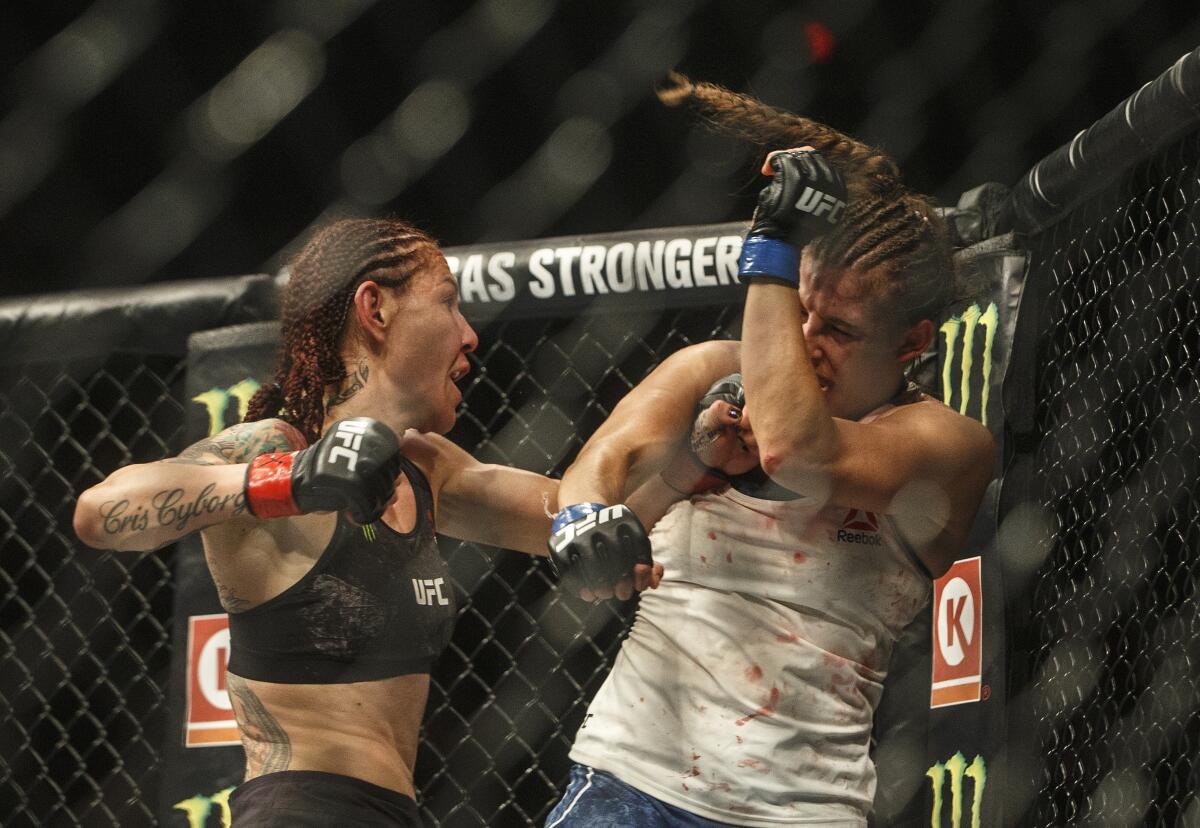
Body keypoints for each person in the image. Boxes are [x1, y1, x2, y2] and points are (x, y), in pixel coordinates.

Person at [72, 217, 662, 827]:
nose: (469, 336)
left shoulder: (426, 470)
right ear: (375, 309)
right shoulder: (273, 445)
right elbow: (100, 512)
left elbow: (572, 514)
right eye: (449, 303)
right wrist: (290, 481)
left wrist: (693, 448)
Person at [543, 75, 995, 827]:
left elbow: (797, 454)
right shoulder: (708, 368)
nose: (809, 343)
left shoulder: (946, 446)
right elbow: (609, 461)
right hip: (632, 782)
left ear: (913, 344)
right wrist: (590, 517)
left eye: (841, 331)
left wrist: (772, 247)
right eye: (802, 309)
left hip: (802, 811)